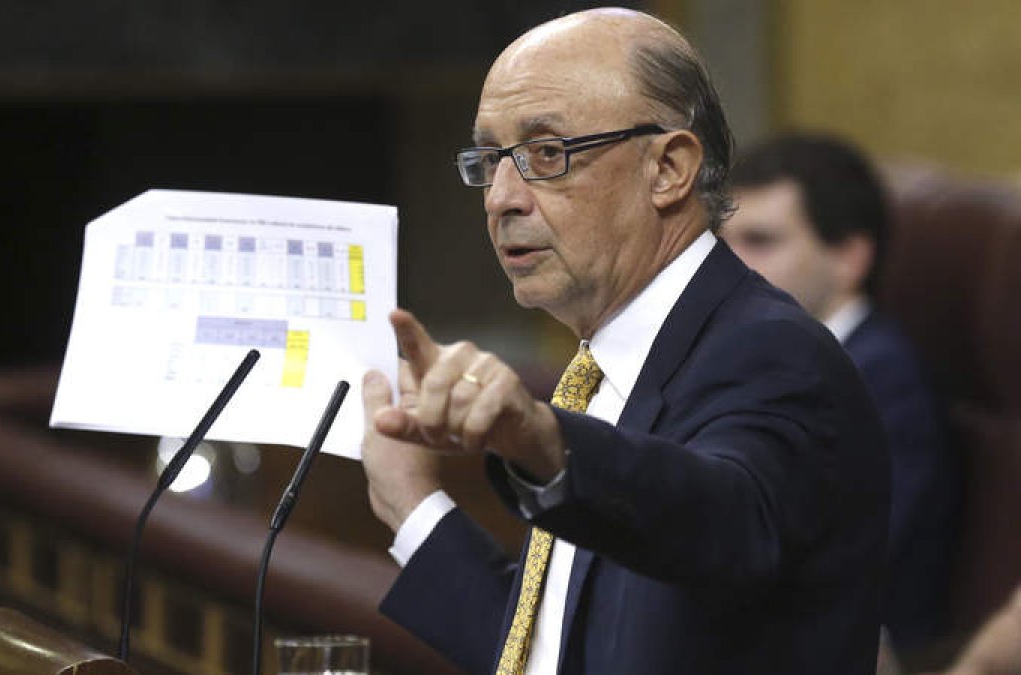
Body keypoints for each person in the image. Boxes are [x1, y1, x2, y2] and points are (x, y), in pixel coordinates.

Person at [359, 8, 888, 675]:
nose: (499, 197)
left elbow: (721, 519)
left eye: (545, 153)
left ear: (668, 168)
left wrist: (545, 442)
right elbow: (557, 649)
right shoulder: (603, 366)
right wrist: (411, 504)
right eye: (491, 160)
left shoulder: (772, 355)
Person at [722, 133, 960, 649]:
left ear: (849, 257)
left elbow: (839, 568)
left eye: (760, 241)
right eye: (725, 242)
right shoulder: (765, 363)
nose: (728, 265)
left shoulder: (880, 378)